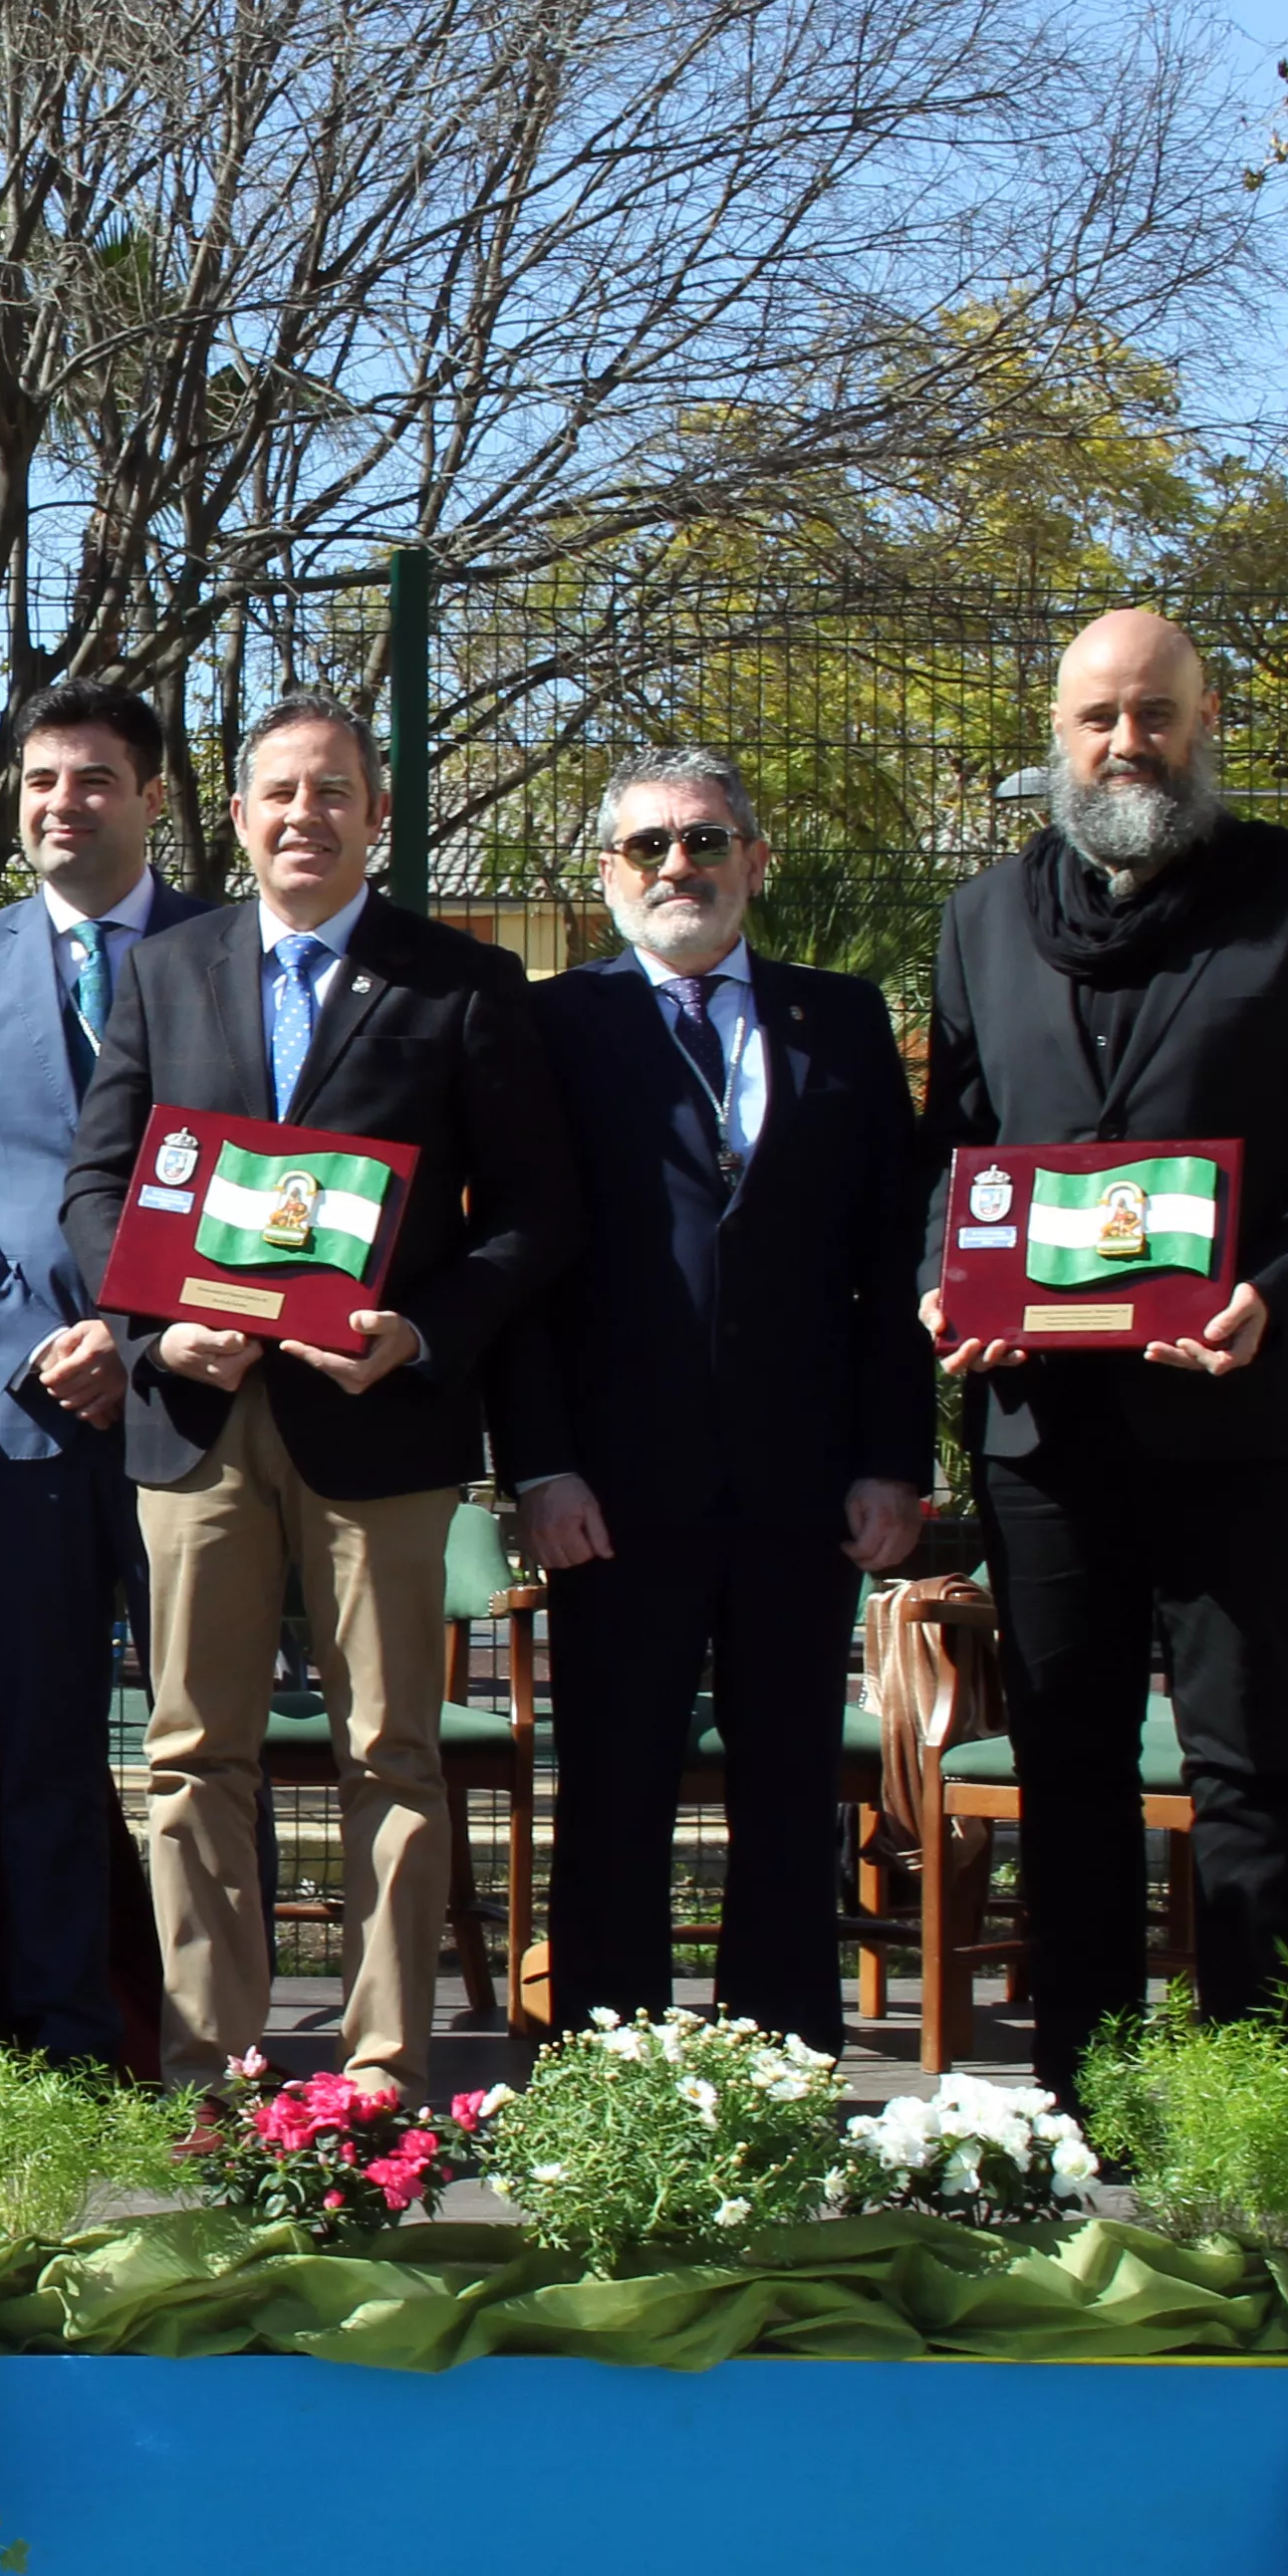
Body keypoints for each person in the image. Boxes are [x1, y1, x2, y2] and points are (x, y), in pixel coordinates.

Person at [920, 607, 1288, 2098]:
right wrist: (944, 1281)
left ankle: (1246, 2096)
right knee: (1067, 1763)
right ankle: (1083, 2091)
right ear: (1055, 737)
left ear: (1205, 725)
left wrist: (1273, 1285)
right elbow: (949, 1157)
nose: (1125, 743)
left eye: (1155, 715)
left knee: (1244, 1762)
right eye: (1097, 719)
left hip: (1239, 1409)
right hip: (1043, 1423)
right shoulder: (981, 922)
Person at [56, 692, 578, 2088]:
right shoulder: (168, 971)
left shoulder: (461, 983)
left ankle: (386, 2067)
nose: (305, 817)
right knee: (189, 1757)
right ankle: (211, 2063)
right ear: (235, 818)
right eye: (279, 793)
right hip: (197, 1422)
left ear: (376, 816)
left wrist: (421, 1330)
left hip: (383, 1422)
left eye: (333, 793)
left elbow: (532, 1217)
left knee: (392, 1754)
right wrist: (157, 1330)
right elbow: (98, 1185)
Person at [493, 748, 933, 2048]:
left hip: (807, 1487)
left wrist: (893, 1458)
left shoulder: (842, 1020)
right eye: (647, 847)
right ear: (607, 875)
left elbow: (889, 1256)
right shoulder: (557, 1025)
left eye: (703, 840)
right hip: (614, 1491)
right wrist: (540, 1466)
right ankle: (614, 2074)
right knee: (616, 1792)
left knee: (790, 1790)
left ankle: (782, 2070)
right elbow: (525, 1264)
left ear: (754, 859)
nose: (676, 867)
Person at [0, 684, 210, 2072]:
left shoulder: (228, 950)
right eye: (37, 782)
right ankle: (73, 2046)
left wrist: (136, 1347)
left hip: (206, 1407)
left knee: (212, 1749)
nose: (60, 804)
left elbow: (267, 1180)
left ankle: (222, 2049)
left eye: (92, 780)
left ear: (150, 796)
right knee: (44, 1755)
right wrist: (32, 1345)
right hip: (18, 1425)